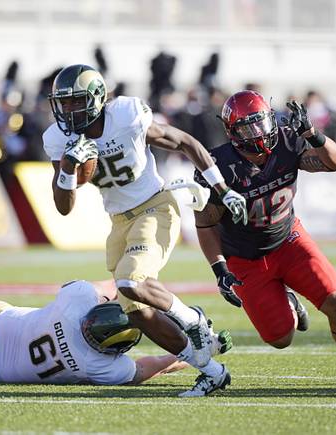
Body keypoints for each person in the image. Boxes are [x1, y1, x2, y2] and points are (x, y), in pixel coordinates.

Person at [43, 64, 244, 396]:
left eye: (76, 102)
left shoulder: (125, 116)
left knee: (130, 280)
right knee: (137, 312)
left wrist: (223, 189)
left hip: (155, 207)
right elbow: (64, 206)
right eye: (63, 104)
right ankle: (212, 371)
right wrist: (67, 167)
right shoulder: (58, 138)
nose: (68, 111)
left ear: (95, 99)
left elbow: (185, 142)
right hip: (119, 222)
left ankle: (192, 320)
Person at [193, 90, 336, 386]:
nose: (260, 132)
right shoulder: (219, 165)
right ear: (233, 132)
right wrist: (219, 269)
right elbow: (206, 224)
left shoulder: (286, 140)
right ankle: (289, 302)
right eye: (249, 126)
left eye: (262, 122)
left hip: (289, 240)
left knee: (335, 300)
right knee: (280, 338)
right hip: (245, 259)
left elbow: (335, 161)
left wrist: (312, 133)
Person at [0, 280, 223, 388]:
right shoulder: (103, 367)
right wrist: (196, 353)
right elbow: (154, 365)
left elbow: (117, 284)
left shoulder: (77, 303)